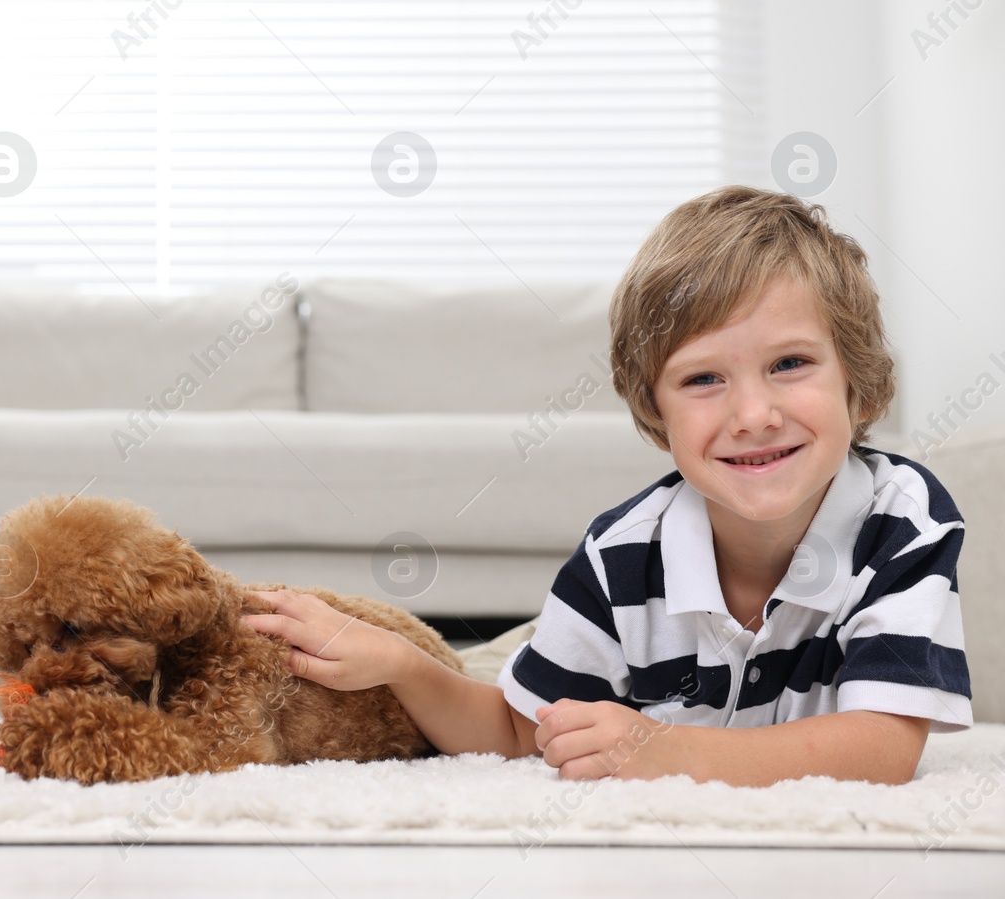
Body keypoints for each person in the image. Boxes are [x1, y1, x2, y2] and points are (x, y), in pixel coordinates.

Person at [245, 186, 970, 785]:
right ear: (656, 410)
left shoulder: (903, 518)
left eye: (790, 364)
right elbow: (515, 730)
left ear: (859, 386)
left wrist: (663, 750)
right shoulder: (620, 553)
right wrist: (402, 665)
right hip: (553, 648)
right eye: (704, 378)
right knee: (490, 672)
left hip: (639, 705)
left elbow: (881, 748)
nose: (754, 414)